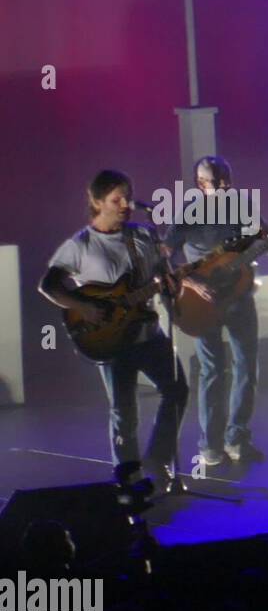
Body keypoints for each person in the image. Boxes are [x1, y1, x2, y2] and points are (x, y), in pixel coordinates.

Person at [38, 169, 189, 484]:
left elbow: (164, 275)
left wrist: (172, 284)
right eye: (116, 199)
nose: (125, 205)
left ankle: (158, 460)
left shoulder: (145, 235)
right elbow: (49, 286)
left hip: (149, 331)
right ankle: (128, 474)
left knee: (177, 390)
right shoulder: (80, 245)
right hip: (111, 338)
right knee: (124, 411)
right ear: (97, 202)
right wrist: (84, 307)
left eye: (128, 198)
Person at [163, 156, 268, 465]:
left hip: (239, 298)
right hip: (203, 303)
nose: (225, 184)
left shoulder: (242, 206)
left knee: (247, 368)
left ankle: (237, 438)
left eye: (227, 177)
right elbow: (165, 257)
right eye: (217, 180)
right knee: (212, 371)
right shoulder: (187, 215)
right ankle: (210, 445)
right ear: (200, 184)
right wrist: (194, 282)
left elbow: (266, 244)